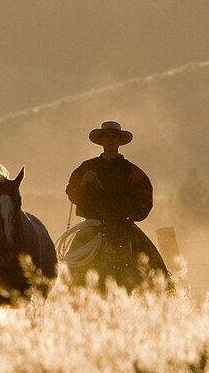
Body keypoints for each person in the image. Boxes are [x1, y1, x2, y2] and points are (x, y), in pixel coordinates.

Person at [65, 120, 170, 281]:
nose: (110, 140)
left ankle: (164, 287)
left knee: (152, 257)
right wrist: (83, 182)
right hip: (92, 223)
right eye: (107, 136)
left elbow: (145, 198)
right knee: (72, 259)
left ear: (120, 141)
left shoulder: (132, 171)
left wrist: (129, 215)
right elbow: (72, 194)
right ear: (101, 141)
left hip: (123, 224)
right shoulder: (86, 168)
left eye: (114, 136)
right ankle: (70, 285)